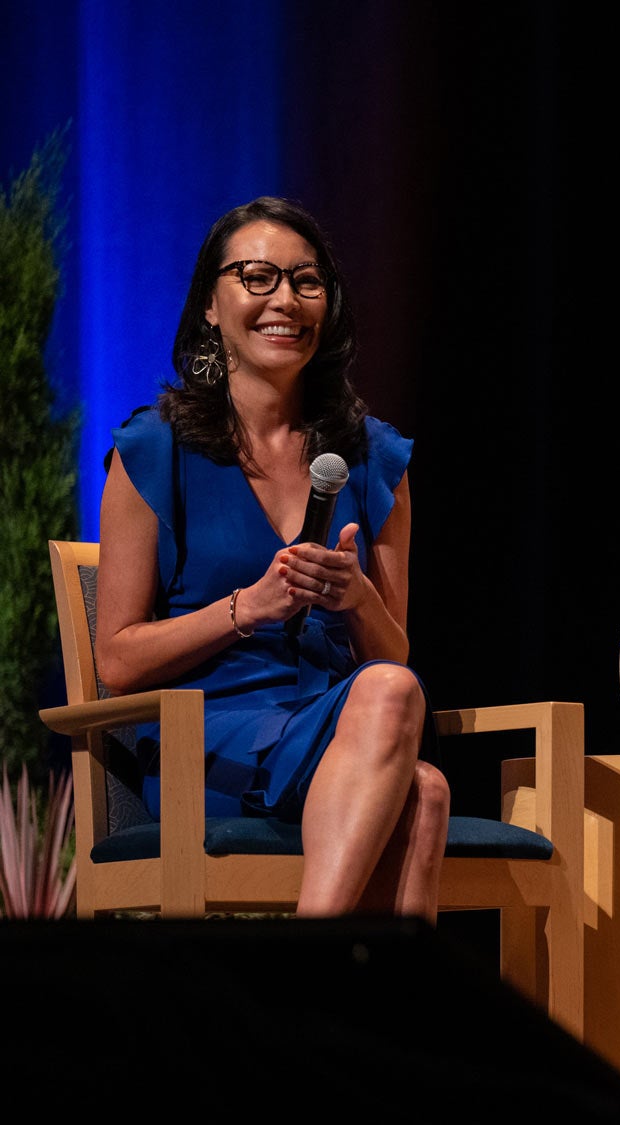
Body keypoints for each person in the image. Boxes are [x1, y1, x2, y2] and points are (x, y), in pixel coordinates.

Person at [95, 196, 448, 920]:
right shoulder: (153, 450)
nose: (284, 297)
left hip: (340, 733)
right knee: (418, 774)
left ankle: (318, 1010)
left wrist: (356, 599)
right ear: (210, 308)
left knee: (410, 745)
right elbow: (117, 660)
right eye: (256, 276)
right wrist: (244, 609)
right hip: (209, 746)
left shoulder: (373, 458)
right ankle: (314, 982)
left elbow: (393, 653)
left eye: (304, 280)